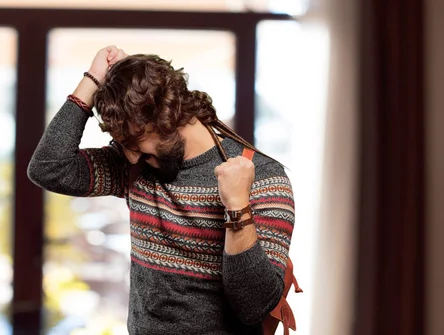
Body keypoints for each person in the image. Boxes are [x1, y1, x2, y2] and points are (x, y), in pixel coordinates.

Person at [28, 45, 295, 335]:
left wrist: (237, 207)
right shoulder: (138, 168)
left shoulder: (262, 178)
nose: (129, 156)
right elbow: (48, 167)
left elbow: (253, 307)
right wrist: (94, 79)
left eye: (134, 142)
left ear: (169, 118)